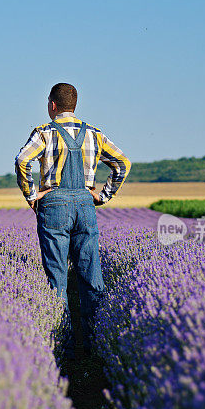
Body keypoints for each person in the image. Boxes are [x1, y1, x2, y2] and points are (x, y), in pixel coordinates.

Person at [14, 83, 131, 361]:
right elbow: (123, 163)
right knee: (91, 274)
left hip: (54, 204)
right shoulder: (94, 134)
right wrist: (102, 195)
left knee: (56, 277)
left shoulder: (44, 133)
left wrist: (32, 195)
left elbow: (22, 160)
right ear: (74, 105)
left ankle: (62, 348)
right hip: (85, 205)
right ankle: (96, 345)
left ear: (52, 105)